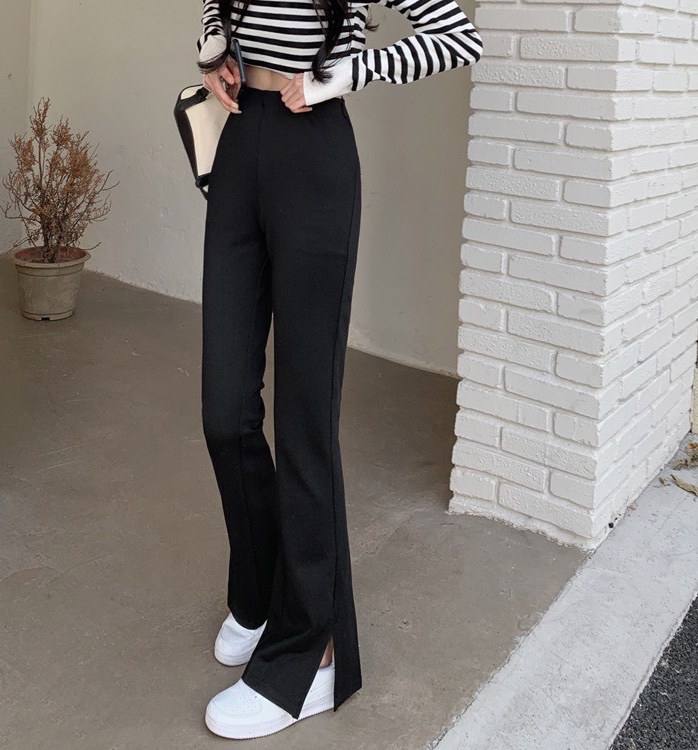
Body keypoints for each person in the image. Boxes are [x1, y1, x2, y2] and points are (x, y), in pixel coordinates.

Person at [196, 0, 483, 739]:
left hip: (314, 154)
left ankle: (312, 654)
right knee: (224, 412)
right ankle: (260, 597)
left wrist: (346, 72)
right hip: (240, 144)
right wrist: (215, 47)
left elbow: (457, 37)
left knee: (304, 421)